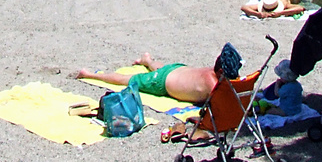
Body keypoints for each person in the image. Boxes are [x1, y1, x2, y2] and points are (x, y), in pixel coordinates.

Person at [72, 54, 218, 105]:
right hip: (161, 82)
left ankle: (147, 60)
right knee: (127, 79)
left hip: (177, 70)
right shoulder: (213, 85)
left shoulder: (212, 71)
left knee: (162, 70)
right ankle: (90, 74)